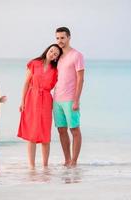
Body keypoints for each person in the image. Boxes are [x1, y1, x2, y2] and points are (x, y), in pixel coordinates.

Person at [17, 44, 63, 169]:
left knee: (45, 134)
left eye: (55, 54)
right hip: (32, 98)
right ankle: (31, 166)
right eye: (52, 50)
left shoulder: (55, 70)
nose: (52, 53)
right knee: (32, 133)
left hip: (47, 100)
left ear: (56, 58)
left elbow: (60, 84)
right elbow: (26, 83)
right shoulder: (34, 63)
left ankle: (45, 165)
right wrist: (22, 101)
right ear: (48, 49)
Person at [54, 27, 85, 167]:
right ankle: (67, 160)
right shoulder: (57, 56)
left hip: (70, 99)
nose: (60, 41)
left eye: (62, 38)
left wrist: (76, 100)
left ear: (69, 37)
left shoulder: (77, 55)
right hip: (57, 99)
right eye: (58, 38)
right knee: (61, 130)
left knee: (74, 130)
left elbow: (80, 79)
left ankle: (74, 161)